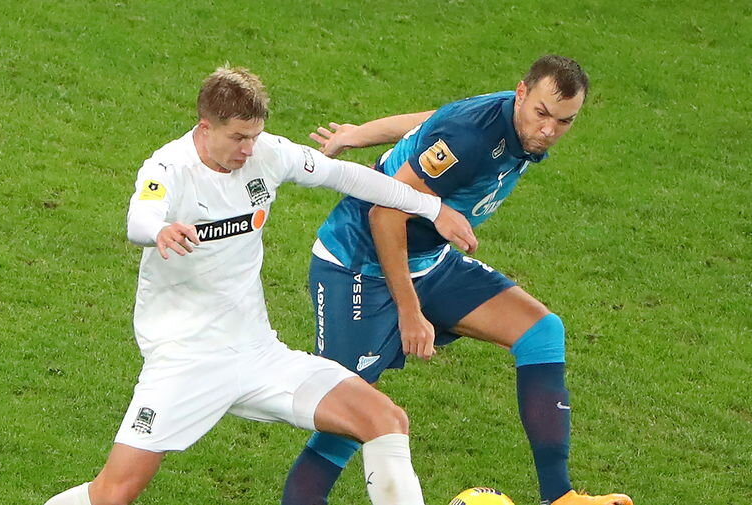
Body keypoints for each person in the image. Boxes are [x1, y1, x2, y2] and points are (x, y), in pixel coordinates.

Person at [43, 66, 477, 505]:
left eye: (254, 136)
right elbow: (140, 216)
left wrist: (430, 207)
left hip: (257, 353)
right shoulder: (169, 167)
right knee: (113, 493)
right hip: (185, 359)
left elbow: (346, 176)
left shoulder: (268, 153)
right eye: (238, 138)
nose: (248, 149)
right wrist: (159, 230)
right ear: (206, 127)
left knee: (385, 419)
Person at [281, 55, 634, 505]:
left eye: (564, 121)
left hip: (427, 260)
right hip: (358, 267)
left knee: (541, 332)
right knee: (352, 415)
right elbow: (385, 214)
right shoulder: (473, 137)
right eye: (542, 114)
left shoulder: (509, 119)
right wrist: (410, 313)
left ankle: (560, 497)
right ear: (521, 94)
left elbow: (433, 119)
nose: (549, 130)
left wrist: (357, 134)